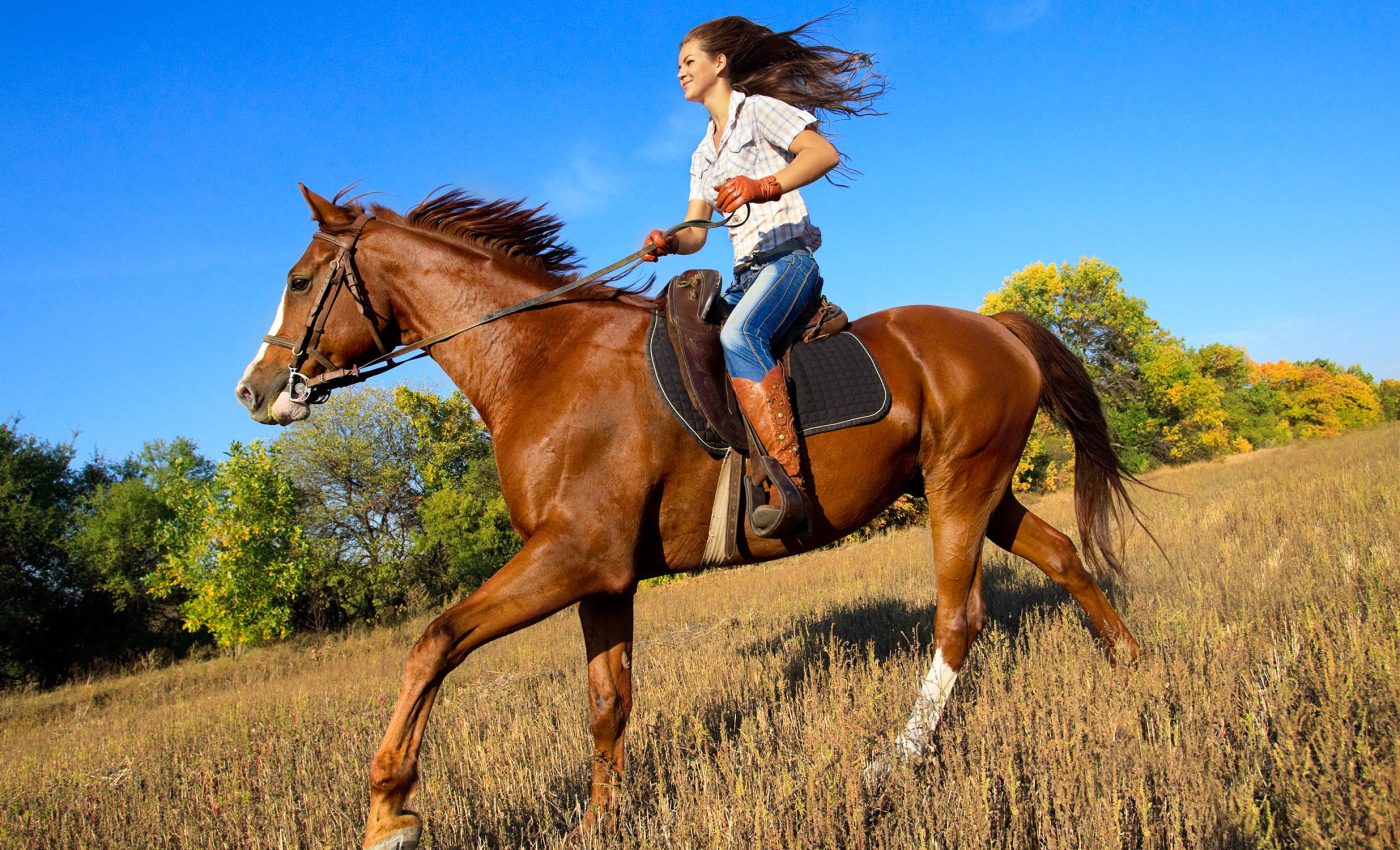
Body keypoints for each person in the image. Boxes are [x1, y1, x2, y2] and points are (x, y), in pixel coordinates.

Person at [642, 14, 884, 537]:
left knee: (738, 333)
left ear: (719, 63)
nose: (680, 73)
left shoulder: (759, 113)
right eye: (677, 66)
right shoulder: (702, 153)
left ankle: (788, 483)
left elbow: (822, 153)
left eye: (689, 62)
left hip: (788, 263)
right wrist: (667, 243)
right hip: (744, 276)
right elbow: (697, 232)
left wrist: (764, 185)